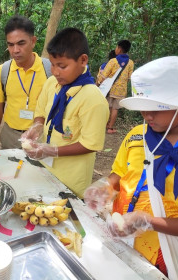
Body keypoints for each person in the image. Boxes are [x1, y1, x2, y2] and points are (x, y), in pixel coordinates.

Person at [84, 56, 178, 279]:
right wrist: (105, 187)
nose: (147, 116)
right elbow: (120, 175)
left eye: (156, 108)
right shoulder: (136, 136)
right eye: (142, 108)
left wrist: (150, 222)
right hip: (120, 245)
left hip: (165, 259)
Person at [21, 27, 109, 198]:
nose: (55, 71)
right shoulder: (51, 84)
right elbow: (41, 113)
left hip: (70, 181)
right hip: (44, 169)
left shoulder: (93, 99)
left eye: (62, 66)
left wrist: (51, 151)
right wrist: (36, 128)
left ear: (83, 60)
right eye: (53, 65)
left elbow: (90, 144)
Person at [0, 15, 51, 150]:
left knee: (38, 171)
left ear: (33, 41)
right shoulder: (3, 70)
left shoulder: (50, 70)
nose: (15, 50)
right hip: (11, 136)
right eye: (10, 45)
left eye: (21, 43)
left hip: (42, 137)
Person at [96, 40, 134, 134]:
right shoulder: (130, 63)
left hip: (110, 89)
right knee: (115, 109)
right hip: (121, 90)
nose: (116, 49)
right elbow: (130, 77)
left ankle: (103, 125)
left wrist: (98, 83)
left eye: (117, 47)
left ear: (120, 49)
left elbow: (104, 75)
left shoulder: (113, 61)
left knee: (107, 106)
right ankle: (110, 128)